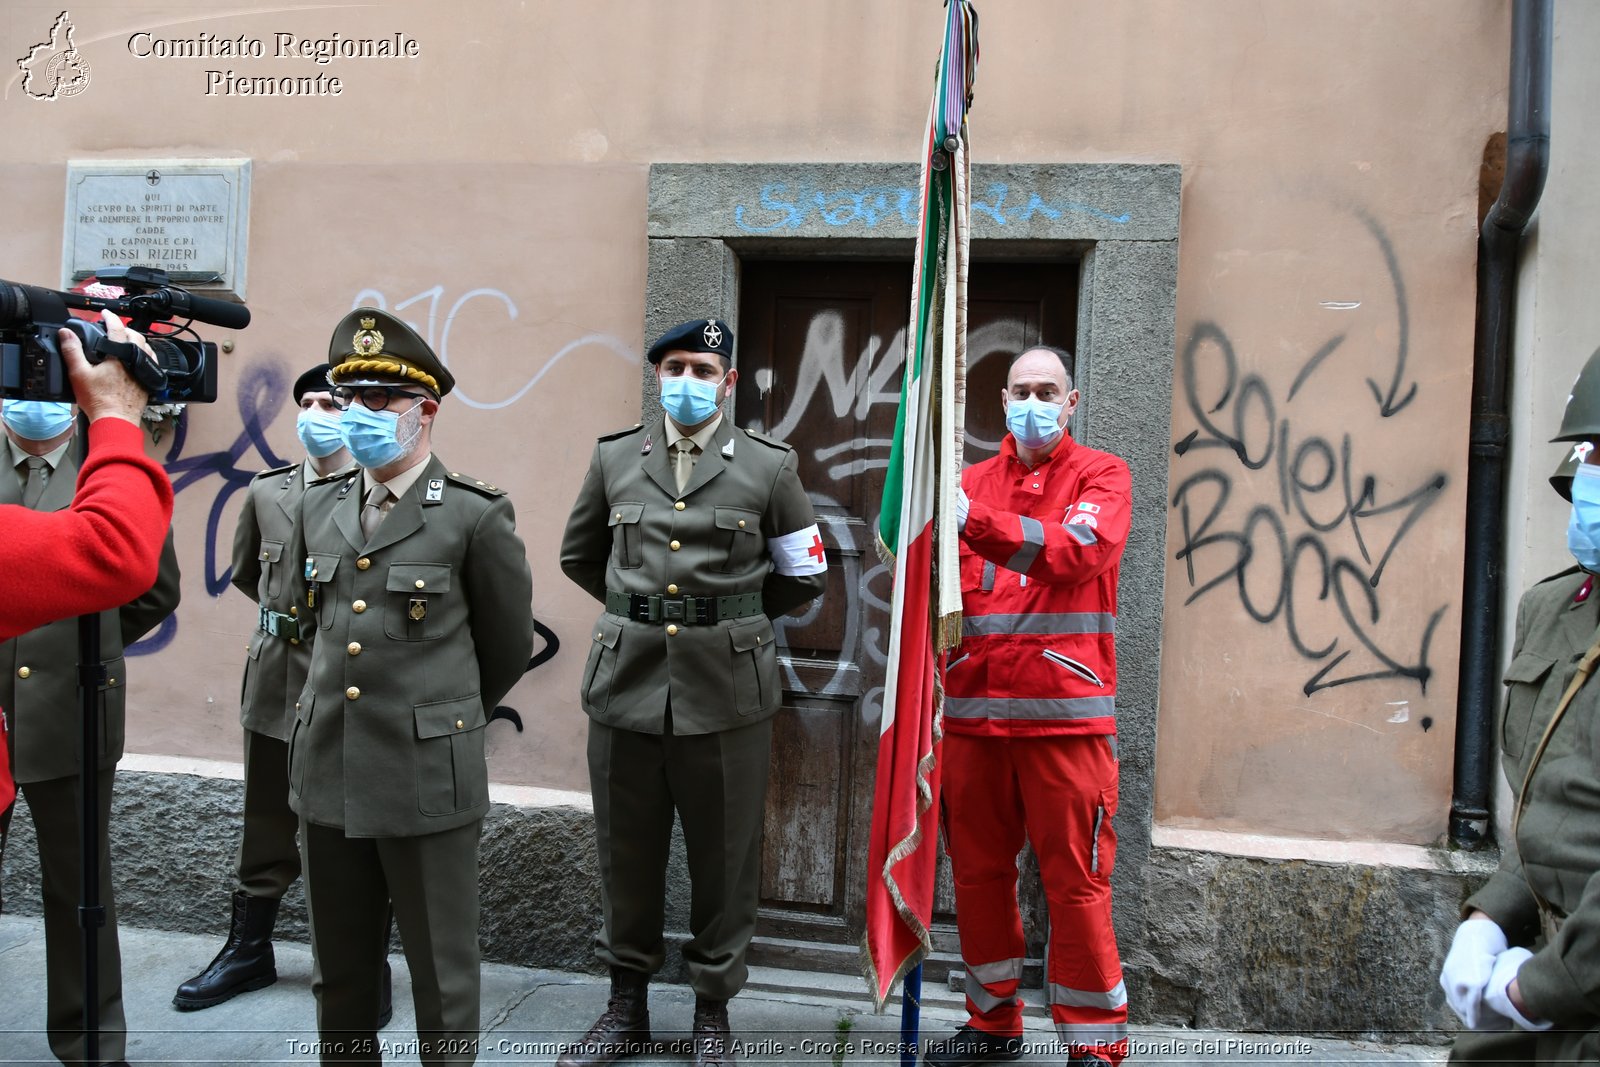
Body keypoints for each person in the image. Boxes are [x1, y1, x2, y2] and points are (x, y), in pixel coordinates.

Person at [558, 319, 827, 1067]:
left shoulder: (770, 468)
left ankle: (712, 1011)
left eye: (703, 369)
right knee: (626, 854)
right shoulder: (616, 458)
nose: (688, 380)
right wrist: (641, 610)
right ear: (657, 376)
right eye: (675, 366)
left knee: (724, 860)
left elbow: (804, 574)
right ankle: (625, 1007)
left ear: (728, 382)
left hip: (727, 692)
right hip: (625, 687)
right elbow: (580, 554)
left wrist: (727, 619)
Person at [287, 308, 534, 1065]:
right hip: (329, 768)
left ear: (424, 410)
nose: (358, 415)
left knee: (443, 976)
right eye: (348, 396)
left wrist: (445, 720)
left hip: (428, 776)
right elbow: (307, 624)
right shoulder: (317, 506)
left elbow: (506, 647)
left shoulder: (472, 513)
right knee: (341, 975)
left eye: (378, 401)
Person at [926, 346, 1131, 1067]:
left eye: (1048, 390)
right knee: (978, 878)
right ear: (1001, 399)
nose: (1033, 402)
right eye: (1021, 389)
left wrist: (972, 521)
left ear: (1072, 402)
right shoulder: (969, 481)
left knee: (1075, 884)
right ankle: (992, 1025)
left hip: (1064, 720)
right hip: (975, 717)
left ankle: (1095, 1044)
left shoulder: (1101, 475)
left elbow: (1077, 551)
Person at [0, 308, 183, 1067]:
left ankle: (92, 1046)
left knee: (81, 897)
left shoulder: (112, 472)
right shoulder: (121, 454)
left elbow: (153, 590)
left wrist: (90, 644)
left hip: (72, 710)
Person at [174, 365, 371, 1013]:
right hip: (273, 672)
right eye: (308, 401)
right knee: (264, 818)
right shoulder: (267, 491)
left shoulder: (375, 495)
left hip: (341, 680)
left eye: (331, 402)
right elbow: (245, 575)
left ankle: (355, 964)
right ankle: (249, 949)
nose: (316, 412)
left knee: (345, 821)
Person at [1440, 347, 1600, 1064]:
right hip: (1542, 979)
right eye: (1590, 451)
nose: (1587, 470)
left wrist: (1544, 984)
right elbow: (1550, 806)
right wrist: (1492, 917)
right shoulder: (1557, 607)